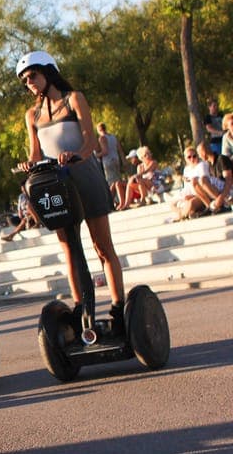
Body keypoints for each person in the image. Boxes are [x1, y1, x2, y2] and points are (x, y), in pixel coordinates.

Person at [16, 50, 126, 334]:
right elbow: (36, 152)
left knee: (102, 246)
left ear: (48, 71)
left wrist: (75, 155)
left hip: (85, 175)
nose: (29, 83)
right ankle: (81, 309)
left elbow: (90, 141)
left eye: (32, 76)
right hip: (56, 184)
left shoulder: (73, 99)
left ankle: (118, 308)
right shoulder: (32, 115)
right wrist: (29, 164)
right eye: (24, 80)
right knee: (69, 249)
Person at [192, 140, 233, 213]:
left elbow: (229, 180)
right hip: (223, 192)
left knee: (203, 180)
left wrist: (221, 198)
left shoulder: (221, 159)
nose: (199, 157)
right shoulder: (209, 164)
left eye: (199, 154)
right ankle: (212, 206)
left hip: (229, 189)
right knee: (195, 182)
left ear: (203, 152)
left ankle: (222, 204)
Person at [96, 122, 127, 208]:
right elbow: (120, 150)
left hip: (108, 162)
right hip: (116, 160)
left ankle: (114, 202)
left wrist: (96, 156)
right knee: (118, 181)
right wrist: (124, 161)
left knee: (111, 183)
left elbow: (105, 151)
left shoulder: (102, 138)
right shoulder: (113, 137)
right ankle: (121, 200)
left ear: (98, 130)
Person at [120, 146, 160, 210]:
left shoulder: (153, 162)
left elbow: (147, 170)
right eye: (146, 154)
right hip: (145, 186)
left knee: (137, 179)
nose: (149, 155)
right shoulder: (140, 166)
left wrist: (134, 176)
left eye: (149, 153)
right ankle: (126, 204)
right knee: (130, 184)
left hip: (155, 184)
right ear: (142, 157)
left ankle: (143, 199)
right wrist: (133, 178)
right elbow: (138, 178)